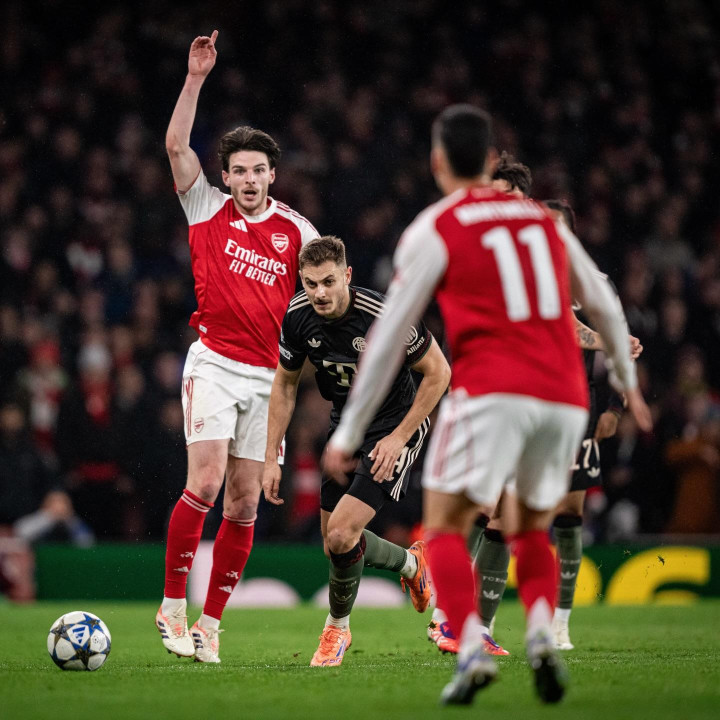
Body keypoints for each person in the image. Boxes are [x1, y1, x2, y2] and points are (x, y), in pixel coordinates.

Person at [324, 104, 652, 705]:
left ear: (438, 162)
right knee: (527, 525)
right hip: (564, 396)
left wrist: (348, 433)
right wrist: (628, 378)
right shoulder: (545, 225)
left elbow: (391, 333)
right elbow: (600, 303)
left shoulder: (438, 225)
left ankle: (467, 644)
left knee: (444, 525)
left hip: (493, 388)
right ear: (492, 158)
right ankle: (542, 636)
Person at [156, 30, 319, 663]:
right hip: (214, 365)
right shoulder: (205, 207)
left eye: (259, 170)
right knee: (206, 480)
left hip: (268, 378)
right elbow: (176, 145)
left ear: (273, 175)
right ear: (224, 176)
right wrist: (195, 78)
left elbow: (326, 292)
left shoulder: (298, 231)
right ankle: (172, 607)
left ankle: (211, 624)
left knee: (246, 501)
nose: (249, 180)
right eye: (239, 171)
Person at [262, 236, 450, 667]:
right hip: (346, 427)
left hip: (395, 426)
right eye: (310, 284)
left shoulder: (386, 316)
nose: (319, 293)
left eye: (329, 281)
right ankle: (411, 564)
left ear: (347, 275)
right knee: (335, 546)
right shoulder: (297, 317)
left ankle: (337, 630)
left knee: (343, 533)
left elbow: (439, 373)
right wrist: (271, 455)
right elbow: (285, 384)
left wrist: (399, 437)